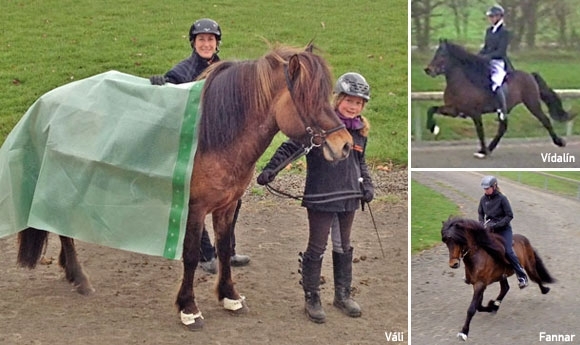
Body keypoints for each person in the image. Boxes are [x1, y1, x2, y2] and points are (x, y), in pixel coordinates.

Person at [257, 72, 374, 323]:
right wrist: (271, 169)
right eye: (349, 101)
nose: (353, 106)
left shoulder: (360, 131)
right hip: (322, 195)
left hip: (350, 195)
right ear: (338, 99)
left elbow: (360, 163)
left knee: (344, 245)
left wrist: (367, 186)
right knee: (317, 246)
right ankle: (312, 297)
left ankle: (342, 295)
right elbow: (290, 147)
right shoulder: (319, 127)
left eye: (358, 103)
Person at [150, 18, 250, 272]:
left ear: (217, 43)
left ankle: (227, 251)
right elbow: (171, 102)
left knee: (231, 199)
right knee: (197, 202)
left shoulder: (228, 71)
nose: (206, 43)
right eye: (201, 39)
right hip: (195, 147)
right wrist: (162, 85)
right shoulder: (181, 71)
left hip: (222, 147)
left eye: (211, 39)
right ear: (193, 42)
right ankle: (206, 255)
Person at [478, 175, 528, 288]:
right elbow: (480, 213)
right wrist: (481, 223)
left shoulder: (502, 199)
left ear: (494, 186)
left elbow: (509, 215)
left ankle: (521, 276)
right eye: (484, 189)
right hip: (489, 229)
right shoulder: (483, 199)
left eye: (487, 188)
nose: (486, 191)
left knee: (508, 251)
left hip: (504, 230)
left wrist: (497, 225)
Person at [478, 4, 513, 121]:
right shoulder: (489, 31)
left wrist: (487, 57)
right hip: (487, 61)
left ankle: (502, 110)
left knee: (496, 82)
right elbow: (486, 47)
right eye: (490, 17)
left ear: (499, 17)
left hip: (498, 62)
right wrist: (477, 56)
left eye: (493, 16)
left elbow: (501, 51)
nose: (491, 19)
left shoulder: (505, 32)